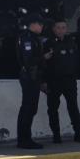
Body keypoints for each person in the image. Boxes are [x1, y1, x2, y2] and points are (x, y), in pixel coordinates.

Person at [43, 19, 80, 143]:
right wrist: (44, 81)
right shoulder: (48, 43)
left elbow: (77, 60)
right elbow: (43, 64)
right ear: (53, 29)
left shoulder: (72, 41)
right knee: (52, 109)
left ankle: (78, 134)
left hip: (69, 80)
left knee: (73, 107)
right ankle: (56, 135)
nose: (61, 30)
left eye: (63, 27)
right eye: (58, 27)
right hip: (54, 81)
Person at [16, 14, 49, 149]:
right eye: (40, 24)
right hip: (29, 76)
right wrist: (44, 57)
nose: (42, 27)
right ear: (33, 24)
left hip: (34, 77)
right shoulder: (27, 38)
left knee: (31, 108)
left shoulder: (34, 38)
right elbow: (29, 61)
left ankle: (25, 138)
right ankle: (24, 140)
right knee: (28, 108)